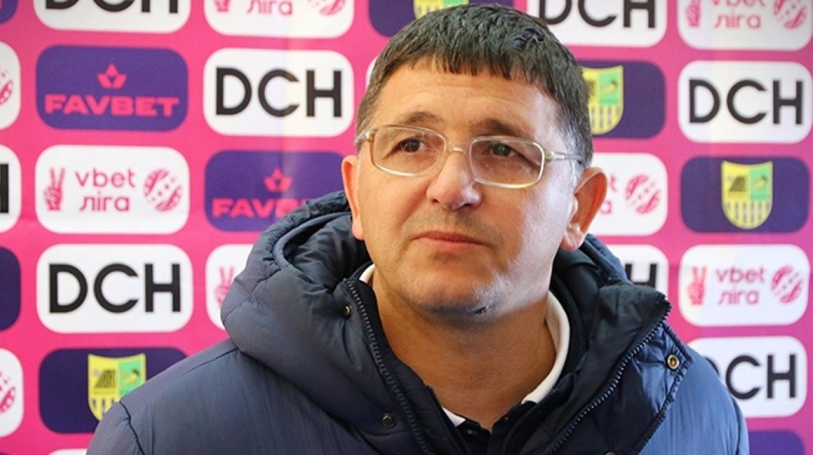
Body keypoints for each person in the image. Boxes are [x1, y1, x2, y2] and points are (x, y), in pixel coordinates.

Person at [88, 4, 748, 454]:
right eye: (410, 145)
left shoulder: (694, 415)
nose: (452, 188)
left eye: (503, 150)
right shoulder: (166, 435)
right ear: (356, 192)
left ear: (579, 206)